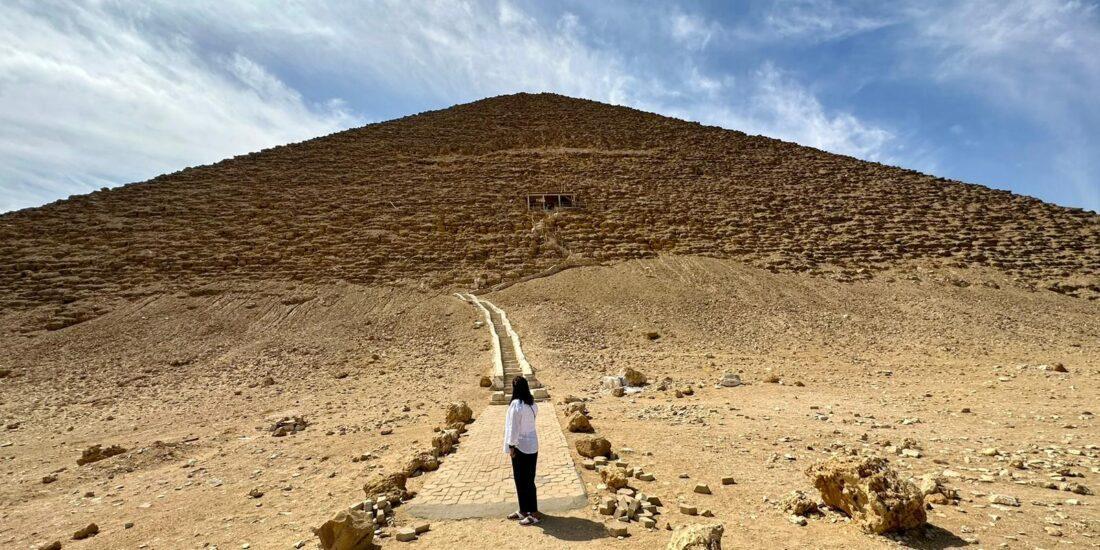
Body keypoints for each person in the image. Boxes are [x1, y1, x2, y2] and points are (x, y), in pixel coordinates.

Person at [503, 376, 540, 524]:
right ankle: (524, 510)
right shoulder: (532, 404)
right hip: (532, 445)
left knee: (522, 480)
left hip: (520, 446)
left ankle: (533, 514)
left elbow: (513, 428)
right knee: (528, 479)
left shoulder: (516, 405)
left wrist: (511, 446)